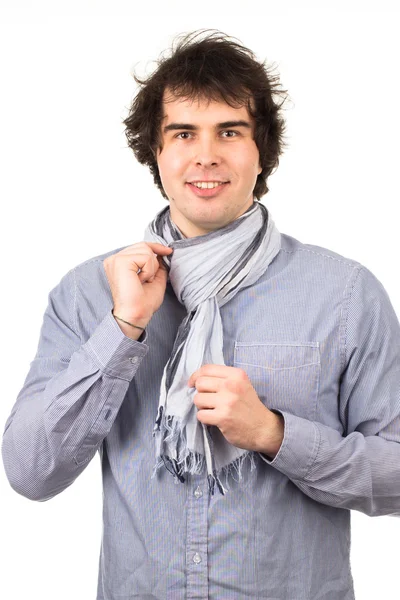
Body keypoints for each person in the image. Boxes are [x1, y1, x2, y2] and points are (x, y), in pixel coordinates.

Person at [2, 28, 400, 600]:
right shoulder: (89, 293)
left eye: (230, 132)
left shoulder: (344, 294)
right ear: (156, 152)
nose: (206, 155)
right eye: (183, 133)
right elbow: (30, 472)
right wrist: (122, 330)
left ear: (261, 150)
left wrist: (274, 434)